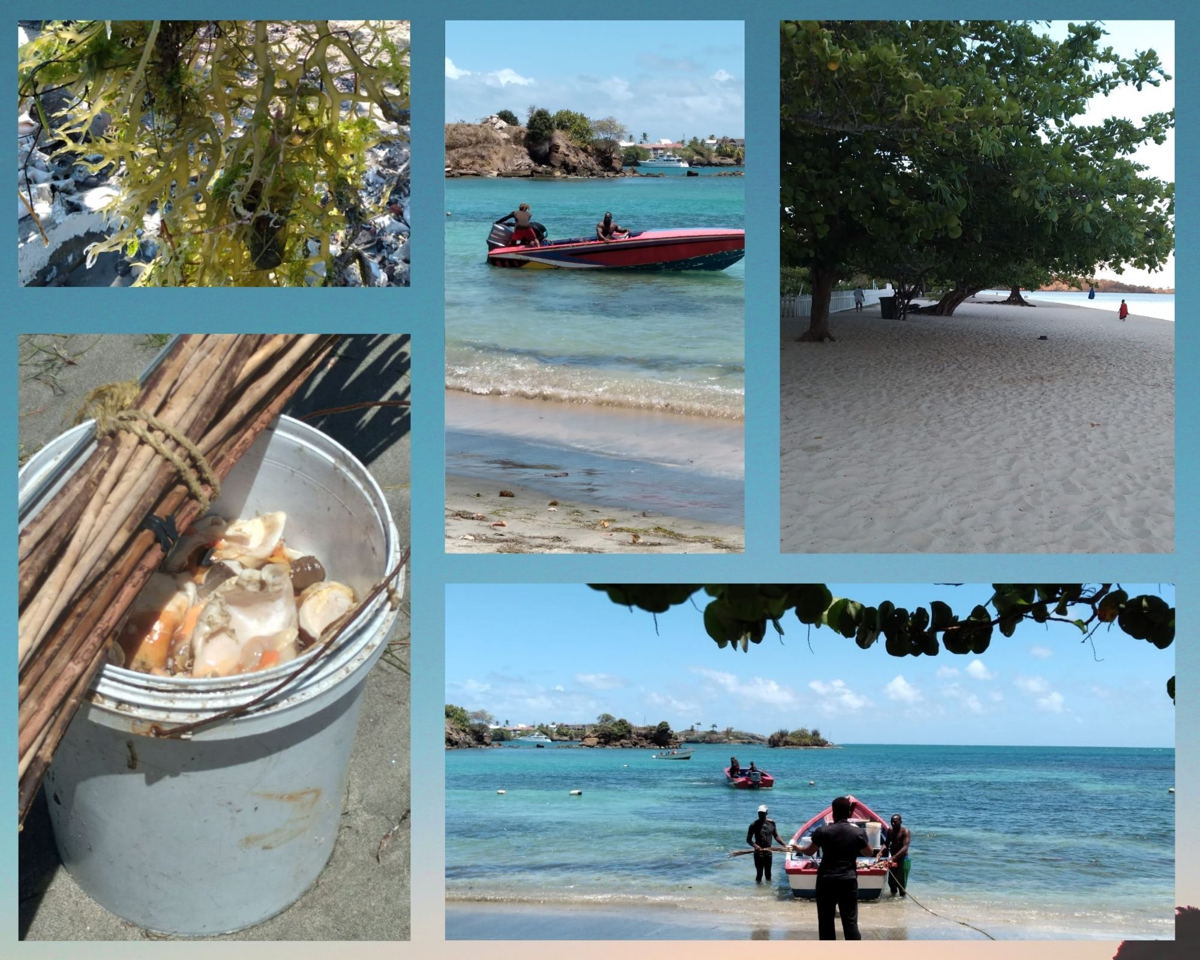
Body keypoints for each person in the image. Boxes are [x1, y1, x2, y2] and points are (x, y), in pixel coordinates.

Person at [793, 796, 874, 940]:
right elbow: (868, 852)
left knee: (826, 922)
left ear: (833, 813)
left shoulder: (822, 831)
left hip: (826, 880)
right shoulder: (858, 833)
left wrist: (797, 847)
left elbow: (809, 851)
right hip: (848, 880)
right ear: (849, 813)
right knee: (850, 922)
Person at [746, 804, 786, 884]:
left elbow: (776, 836)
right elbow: (748, 840)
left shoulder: (772, 824)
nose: (761, 814)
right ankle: (758, 892)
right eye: (759, 813)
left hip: (768, 852)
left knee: (768, 874)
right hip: (758, 853)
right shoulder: (753, 825)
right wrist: (756, 846)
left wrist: (784, 845)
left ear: (766, 813)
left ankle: (768, 891)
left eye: (763, 813)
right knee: (759, 874)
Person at [883, 813, 911, 897]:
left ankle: (902, 903)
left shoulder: (905, 831)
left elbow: (905, 847)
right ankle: (893, 903)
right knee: (891, 883)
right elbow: (886, 844)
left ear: (900, 822)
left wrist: (893, 857)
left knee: (901, 884)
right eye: (891, 822)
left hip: (903, 859)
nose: (893, 824)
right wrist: (880, 852)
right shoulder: (890, 831)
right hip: (893, 860)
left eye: (895, 822)